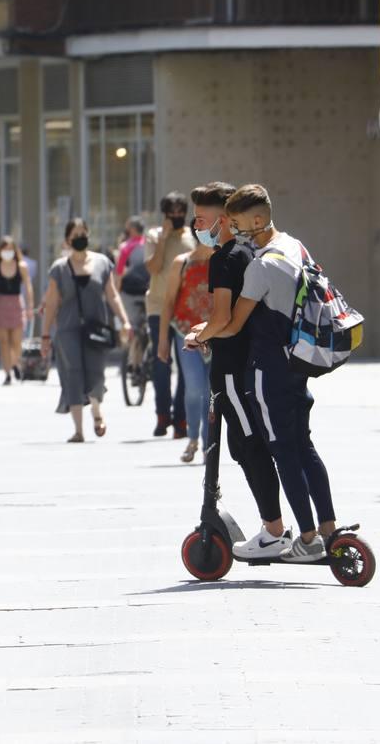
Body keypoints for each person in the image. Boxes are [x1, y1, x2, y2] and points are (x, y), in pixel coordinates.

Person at [215, 185, 337, 562]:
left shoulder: (261, 266)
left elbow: (233, 325)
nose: (233, 232)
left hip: (269, 371)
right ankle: (329, 528)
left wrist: (200, 334)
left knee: (283, 452)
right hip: (298, 362)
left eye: (236, 224)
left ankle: (307, 537)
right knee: (305, 447)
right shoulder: (294, 246)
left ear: (256, 220)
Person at [185, 182, 288, 558]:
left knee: (248, 446)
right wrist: (206, 332)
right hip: (244, 363)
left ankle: (274, 530)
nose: (196, 226)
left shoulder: (225, 258)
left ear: (223, 220)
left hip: (232, 369)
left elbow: (224, 317)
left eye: (200, 219)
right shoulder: (246, 251)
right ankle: (273, 527)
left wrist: (201, 333)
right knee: (244, 446)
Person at [41, 218, 133, 442]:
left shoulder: (102, 263)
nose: (80, 237)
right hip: (67, 329)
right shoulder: (59, 268)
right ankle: (79, 429)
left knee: (96, 371)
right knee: (73, 373)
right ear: (67, 240)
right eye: (75, 234)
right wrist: (45, 335)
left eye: (84, 232)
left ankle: (96, 411)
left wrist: (124, 321)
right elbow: (51, 303)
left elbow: (111, 294)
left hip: (96, 328)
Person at [159, 193, 220, 462]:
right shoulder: (180, 263)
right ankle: (192, 437)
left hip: (217, 334)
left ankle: (209, 443)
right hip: (187, 333)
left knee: (211, 391)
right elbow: (168, 302)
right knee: (194, 387)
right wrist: (162, 340)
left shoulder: (223, 259)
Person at [145, 193, 196, 438]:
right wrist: (164, 239)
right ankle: (162, 414)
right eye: (171, 212)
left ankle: (181, 418)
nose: (176, 216)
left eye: (180, 212)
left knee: (187, 363)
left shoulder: (192, 236)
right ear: (164, 213)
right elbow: (153, 267)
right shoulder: (154, 236)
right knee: (161, 362)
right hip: (157, 306)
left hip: (185, 308)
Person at [0, 236, 36, 385]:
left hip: (16, 304)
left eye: (10, 249)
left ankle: (15, 364)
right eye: (4, 249)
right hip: (0, 304)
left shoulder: (21, 266)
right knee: (3, 341)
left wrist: (30, 306)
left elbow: (28, 285)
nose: (7, 252)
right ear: (0, 250)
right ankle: (7, 373)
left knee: (16, 341)